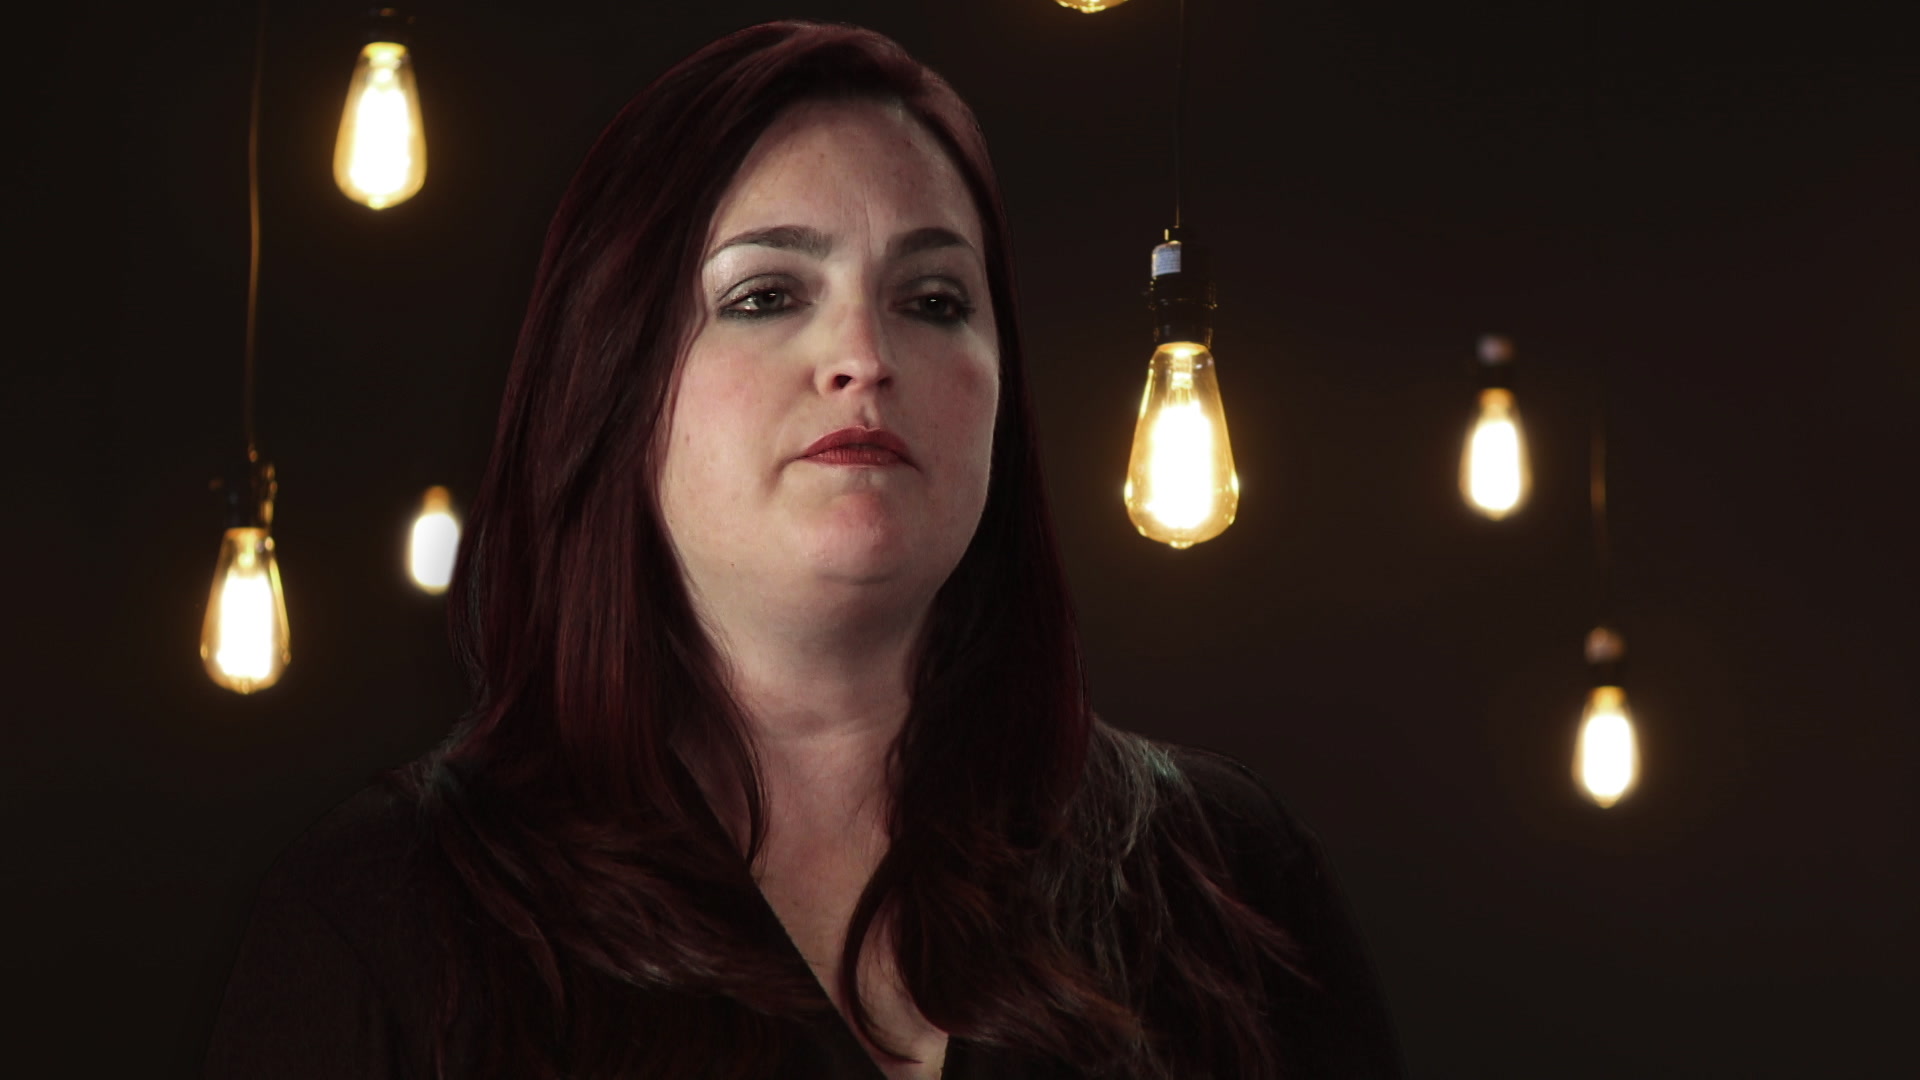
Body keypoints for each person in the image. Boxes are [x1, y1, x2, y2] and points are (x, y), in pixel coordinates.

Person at [204, 20, 1403, 1080]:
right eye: (767, 295)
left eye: (933, 300)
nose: (864, 357)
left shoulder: (1224, 871)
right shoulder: (384, 919)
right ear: (613, 380)